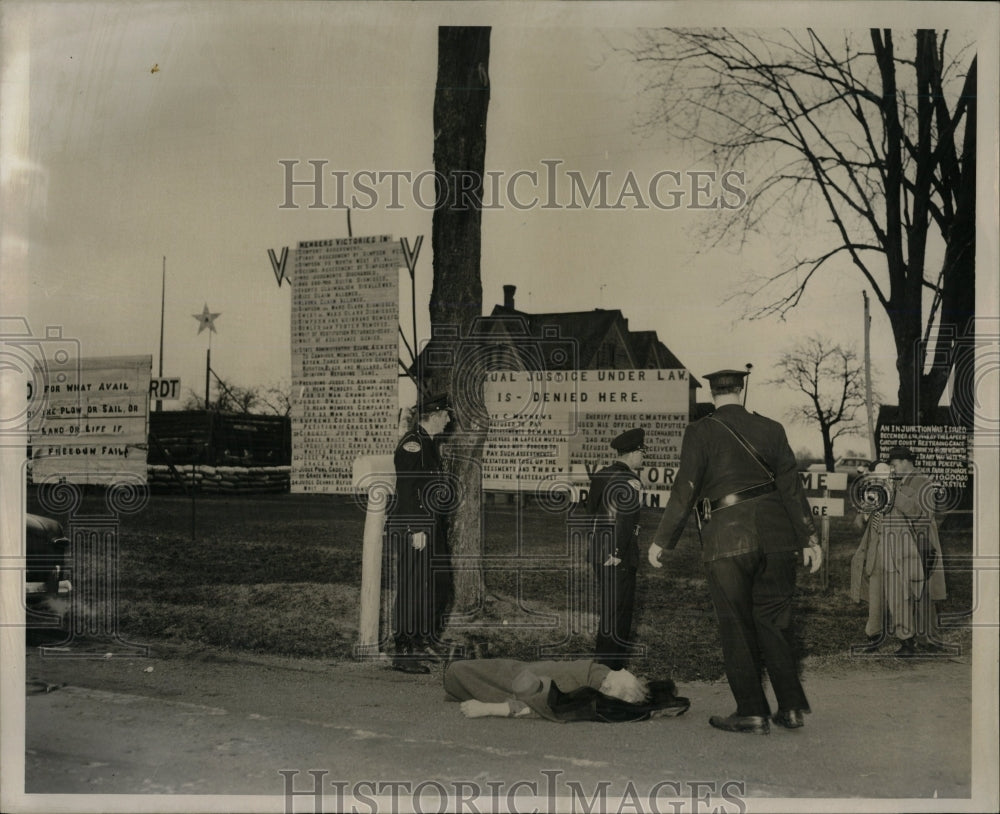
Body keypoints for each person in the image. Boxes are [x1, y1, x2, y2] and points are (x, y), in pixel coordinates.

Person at [648, 369, 822, 735]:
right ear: (741, 391)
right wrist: (810, 539)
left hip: (726, 540)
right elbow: (792, 489)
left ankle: (752, 713)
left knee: (737, 628)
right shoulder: (773, 428)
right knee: (776, 625)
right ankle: (790, 709)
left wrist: (663, 539)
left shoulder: (701, 431)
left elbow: (686, 487)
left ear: (713, 394)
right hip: (778, 541)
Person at [850, 446, 947, 657]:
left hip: (911, 548)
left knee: (906, 595)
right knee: (877, 596)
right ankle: (874, 635)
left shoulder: (917, 483)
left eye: (891, 467)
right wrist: (865, 509)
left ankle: (913, 639)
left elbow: (920, 515)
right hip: (879, 551)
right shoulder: (884, 487)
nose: (890, 472)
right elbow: (861, 523)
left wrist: (893, 494)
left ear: (903, 461)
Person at [387, 392, 454, 674]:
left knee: (440, 584)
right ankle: (403, 649)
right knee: (412, 587)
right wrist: (416, 527)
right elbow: (407, 488)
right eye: (446, 414)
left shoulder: (427, 443)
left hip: (430, 527)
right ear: (434, 415)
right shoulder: (413, 444)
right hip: (414, 527)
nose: (449, 419)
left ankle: (422, 638)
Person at [444, 657, 690, 722]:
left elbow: (535, 705)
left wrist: (486, 709)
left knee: (463, 672)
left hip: (520, 678)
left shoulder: (597, 679)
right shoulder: (601, 675)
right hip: (521, 672)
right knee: (465, 672)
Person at [585, 427, 647, 670]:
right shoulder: (630, 480)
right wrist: (618, 552)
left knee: (609, 613)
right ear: (632, 453)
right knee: (619, 616)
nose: (643, 457)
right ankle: (612, 672)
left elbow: (591, 513)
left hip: (599, 552)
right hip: (617, 556)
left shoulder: (601, 475)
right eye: (642, 452)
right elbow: (622, 519)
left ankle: (601, 669)